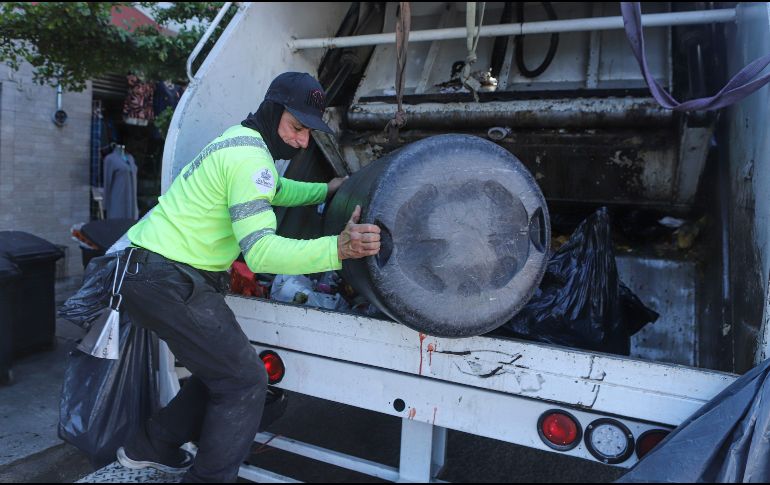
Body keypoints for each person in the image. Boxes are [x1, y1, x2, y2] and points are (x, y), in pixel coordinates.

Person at [114, 72, 381, 482]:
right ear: (273, 111)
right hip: (168, 278)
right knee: (244, 381)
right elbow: (261, 253)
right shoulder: (249, 158)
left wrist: (326, 189)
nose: (303, 142)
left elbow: (273, 190)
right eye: (297, 128)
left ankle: (150, 446)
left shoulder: (239, 139)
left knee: (221, 370)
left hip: (146, 271)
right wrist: (338, 249)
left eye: (310, 132)